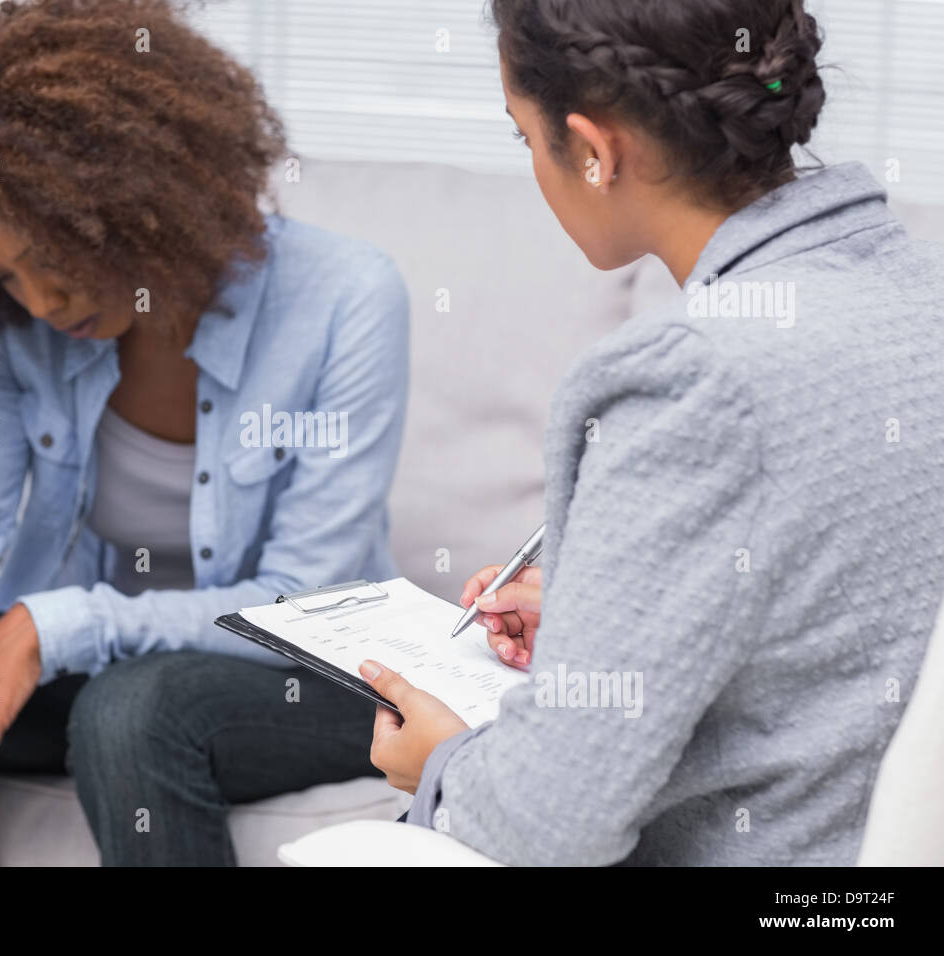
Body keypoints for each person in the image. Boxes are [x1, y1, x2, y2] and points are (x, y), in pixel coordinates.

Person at [0, 0, 409, 866]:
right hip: (114, 671)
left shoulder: (347, 298)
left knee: (132, 712)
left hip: (310, 675)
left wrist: (56, 627)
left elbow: (301, 603)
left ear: (138, 198)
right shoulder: (9, 328)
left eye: (60, 259)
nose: (47, 304)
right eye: (14, 277)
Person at [361, 0, 944, 865]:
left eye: (526, 138)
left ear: (595, 153)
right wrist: (610, 622)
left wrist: (442, 763)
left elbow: (545, 825)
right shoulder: (911, 297)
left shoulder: (691, 380)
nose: (532, 164)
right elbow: (851, 624)